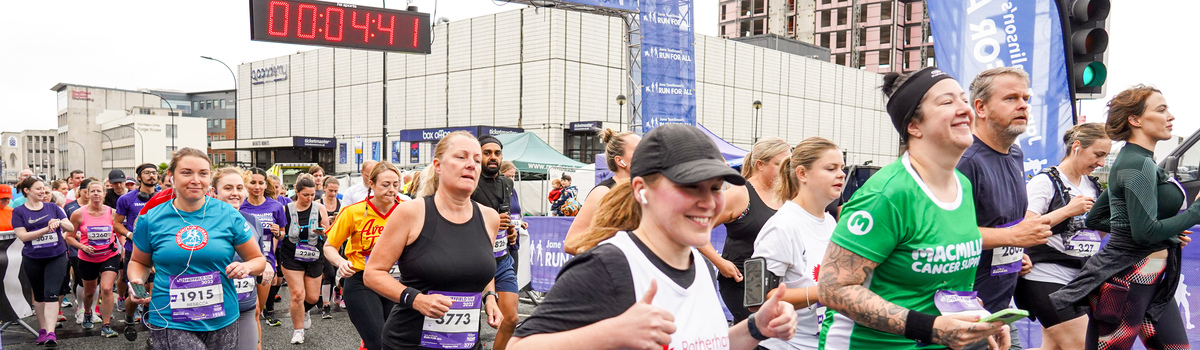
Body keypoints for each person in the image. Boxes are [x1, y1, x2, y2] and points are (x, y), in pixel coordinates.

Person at [509, 124, 797, 350]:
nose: (708, 202)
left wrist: (756, 328)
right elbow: (519, 346)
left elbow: (706, 344)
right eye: (690, 187)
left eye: (716, 187)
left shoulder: (700, 264)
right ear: (641, 189)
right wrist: (609, 334)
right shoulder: (609, 265)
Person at [817, 67, 1009, 349]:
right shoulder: (887, 194)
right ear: (914, 126)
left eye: (963, 100)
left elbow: (942, 286)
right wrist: (927, 327)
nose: (964, 110)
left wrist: (978, 320)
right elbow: (832, 289)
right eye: (947, 102)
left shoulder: (963, 186)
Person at [1051, 85, 1198, 349]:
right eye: (1161, 109)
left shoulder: (1140, 161)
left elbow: (1096, 217)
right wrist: (1195, 213)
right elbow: (1145, 232)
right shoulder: (1136, 163)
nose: (1170, 116)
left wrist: (1169, 233)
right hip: (1127, 278)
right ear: (1135, 119)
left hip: (1152, 280)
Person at [364, 131, 503, 350]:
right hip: (410, 342)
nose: (471, 165)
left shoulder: (489, 218)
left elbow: (479, 265)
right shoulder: (411, 212)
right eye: (461, 157)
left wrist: (491, 297)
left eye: (477, 160)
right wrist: (417, 300)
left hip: (465, 343)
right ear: (438, 165)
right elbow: (373, 274)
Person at [126, 147, 267, 349]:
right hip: (171, 319)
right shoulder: (151, 219)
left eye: (203, 173)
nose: (195, 180)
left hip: (222, 317)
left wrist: (246, 268)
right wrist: (136, 280)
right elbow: (139, 261)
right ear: (171, 177)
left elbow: (258, 260)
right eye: (186, 172)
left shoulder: (227, 213)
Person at [956, 67, 1053, 350]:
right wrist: (1012, 239)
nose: (1023, 105)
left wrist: (1014, 252)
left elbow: (1004, 223)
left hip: (1002, 310)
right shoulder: (965, 161)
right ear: (980, 107)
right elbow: (945, 236)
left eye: (1026, 98)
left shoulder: (1015, 153)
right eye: (1011, 98)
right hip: (964, 313)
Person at [1014, 123, 1109, 350]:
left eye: (1106, 156)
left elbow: (1097, 234)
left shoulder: (1092, 186)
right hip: (1045, 276)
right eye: (1098, 154)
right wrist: (1067, 211)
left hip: (1081, 279)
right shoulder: (1044, 182)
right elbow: (1023, 227)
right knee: (1083, 346)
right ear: (1076, 147)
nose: (1102, 163)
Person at [751, 137, 844, 350]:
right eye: (831, 168)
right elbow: (756, 298)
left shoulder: (830, 222)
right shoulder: (781, 226)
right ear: (802, 174)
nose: (841, 174)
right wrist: (824, 293)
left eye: (842, 168)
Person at [701, 137, 790, 323]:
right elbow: (697, 229)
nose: (785, 170)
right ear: (760, 165)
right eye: (779, 164)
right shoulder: (740, 194)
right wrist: (720, 263)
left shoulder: (784, 194)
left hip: (774, 282)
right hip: (741, 283)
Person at [324, 161, 406, 350]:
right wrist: (341, 262)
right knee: (378, 342)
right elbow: (329, 246)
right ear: (372, 184)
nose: (392, 189)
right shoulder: (353, 212)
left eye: (396, 184)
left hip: (396, 281)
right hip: (362, 280)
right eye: (385, 185)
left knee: (396, 341)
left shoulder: (407, 211)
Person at [212, 166, 275, 350]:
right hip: (213, 307)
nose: (235, 193)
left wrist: (266, 264)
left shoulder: (253, 221)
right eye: (228, 188)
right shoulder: (202, 222)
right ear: (214, 192)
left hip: (245, 305)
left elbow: (259, 256)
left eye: (239, 188)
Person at [467, 134, 520, 350]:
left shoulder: (506, 183)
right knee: (470, 328)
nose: (493, 157)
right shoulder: (470, 182)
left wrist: (509, 232)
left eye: (497, 153)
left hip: (501, 258)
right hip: (472, 260)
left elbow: (506, 217)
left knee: (511, 319)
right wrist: (493, 223)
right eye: (487, 153)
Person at [12, 176, 74, 347]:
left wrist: (59, 222)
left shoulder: (53, 208)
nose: (42, 192)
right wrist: (46, 228)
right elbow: (23, 236)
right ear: (27, 191)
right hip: (33, 258)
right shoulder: (19, 212)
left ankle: (51, 333)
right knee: (39, 296)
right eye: (38, 189)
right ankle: (43, 330)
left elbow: (71, 227)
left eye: (44, 189)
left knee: (52, 293)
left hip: (56, 256)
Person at [564, 128, 640, 255]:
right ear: (620, 161)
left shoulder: (646, 191)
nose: (647, 153)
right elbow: (571, 242)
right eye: (639, 150)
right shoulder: (603, 193)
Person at [65, 180, 121, 337]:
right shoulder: (78, 214)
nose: (96, 194)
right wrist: (82, 247)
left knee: (107, 288)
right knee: (89, 292)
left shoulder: (112, 213)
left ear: (104, 194)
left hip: (109, 255)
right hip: (87, 258)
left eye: (99, 191)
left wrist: (122, 249)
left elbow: (119, 232)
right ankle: (88, 312)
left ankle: (106, 325)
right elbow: (69, 237)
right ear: (87, 194)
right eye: (93, 191)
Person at [278, 176, 331, 344]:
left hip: (314, 254)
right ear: (297, 192)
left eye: (312, 195)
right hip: (291, 255)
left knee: (313, 298)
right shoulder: (285, 209)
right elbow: (280, 233)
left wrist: (323, 231)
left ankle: (303, 310)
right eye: (305, 195)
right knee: (298, 294)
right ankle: (298, 331)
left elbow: (328, 231)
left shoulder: (319, 208)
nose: (309, 199)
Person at [242, 167, 288, 327]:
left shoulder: (275, 207)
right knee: (245, 309)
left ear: (265, 185)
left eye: (260, 183)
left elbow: (282, 233)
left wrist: (278, 232)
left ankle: (264, 319)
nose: (257, 186)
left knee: (257, 310)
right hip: (243, 260)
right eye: (253, 182)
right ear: (246, 184)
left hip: (266, 259)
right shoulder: (240, 206)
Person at [115, 163, 160, 326]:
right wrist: (131, 235)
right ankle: (129, 316)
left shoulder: (164, 198)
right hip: (134, 252)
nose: (152, 176)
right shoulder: (126, 199)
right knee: (137, 292)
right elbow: (117, 224)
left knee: (154, 289)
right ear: (139, 177)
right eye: (147, 173)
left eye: (154, 173)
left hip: (157, 251)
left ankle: (149, 319)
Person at [317, 176, 344, 319]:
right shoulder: (318, 203)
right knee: (329, 274)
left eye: (336, 191)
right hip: (323, 243)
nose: (333, 193)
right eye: (330, 190)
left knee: (341, 274)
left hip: (340, 243)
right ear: (324, 188)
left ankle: (338, 290)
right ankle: (326, 305)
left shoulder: (342, 203)